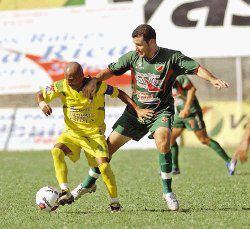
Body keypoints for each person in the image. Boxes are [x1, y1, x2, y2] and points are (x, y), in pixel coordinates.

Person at [71, 24, 229, 211]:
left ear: (152, 42)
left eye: (139, 45)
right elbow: (111, 70)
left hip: (160, 111)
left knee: (163, 141)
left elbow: (196, 68)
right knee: (106, 150)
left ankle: (167, 192)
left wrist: (212, 79)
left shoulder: (172, 58)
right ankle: (88, 184)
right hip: (135, 112)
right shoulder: (133, 57)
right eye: (135, 44)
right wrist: (96, 80)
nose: (136, 48)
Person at [35, 61, 153, 212]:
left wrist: (136, 109)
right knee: (56, 151)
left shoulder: (97, 86)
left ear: (81, 76)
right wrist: (43, 104)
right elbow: (39, 95)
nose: (68, 81)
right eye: (66, 77)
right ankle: (65, 190)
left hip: (94, 135)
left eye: (71, 78)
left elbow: (120, 94)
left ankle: (115, 203)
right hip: (72, 133)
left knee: (103, 167)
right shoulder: (62, 86)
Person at [170, 75, 236, 175]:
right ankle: (175, 168)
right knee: (170, 139)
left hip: (191, 113)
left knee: (204, 140)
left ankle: (229, 160)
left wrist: (187, 108)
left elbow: (192, 90)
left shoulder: (180, 77)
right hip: (179, 114)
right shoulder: (162, 80)